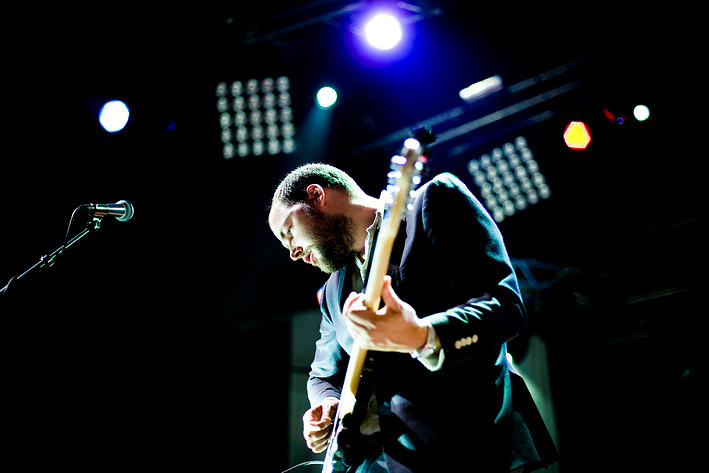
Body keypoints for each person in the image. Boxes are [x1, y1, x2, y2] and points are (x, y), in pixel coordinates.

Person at [268, 163, 558, 473]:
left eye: (289, 232)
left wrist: (422, 335)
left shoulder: (434, 201)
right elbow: (322, 375)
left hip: (469, 447)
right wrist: (325, 404)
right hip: (385, 463)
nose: (293, 253)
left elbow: (506, 307)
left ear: (315, 195)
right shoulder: (330, 293)